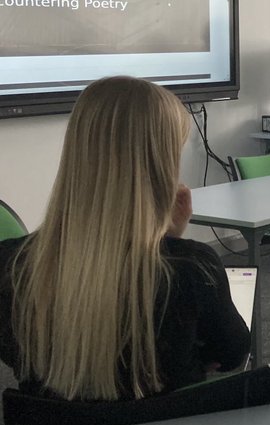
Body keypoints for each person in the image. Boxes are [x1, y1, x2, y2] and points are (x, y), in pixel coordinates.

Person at [0, 77, 249, 400]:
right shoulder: (192, 270)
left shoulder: (12, 265)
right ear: (159, 167)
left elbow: (16, 354)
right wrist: (171, 240)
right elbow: (232, 354)